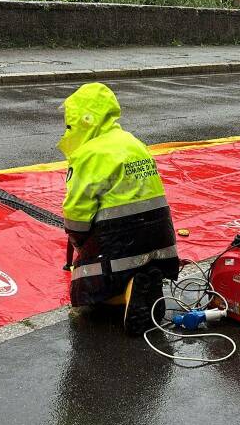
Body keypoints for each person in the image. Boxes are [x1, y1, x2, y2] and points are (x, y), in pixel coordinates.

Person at [58, 82, 180, 335]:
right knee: (129, 264)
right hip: (162, 240)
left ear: (85, 120)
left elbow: (78, 211)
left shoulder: (89, 153)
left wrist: (79, 243)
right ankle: (144, 280)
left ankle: (127, 294)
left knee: (85, 289)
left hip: (120, 239)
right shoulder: (133, 142)